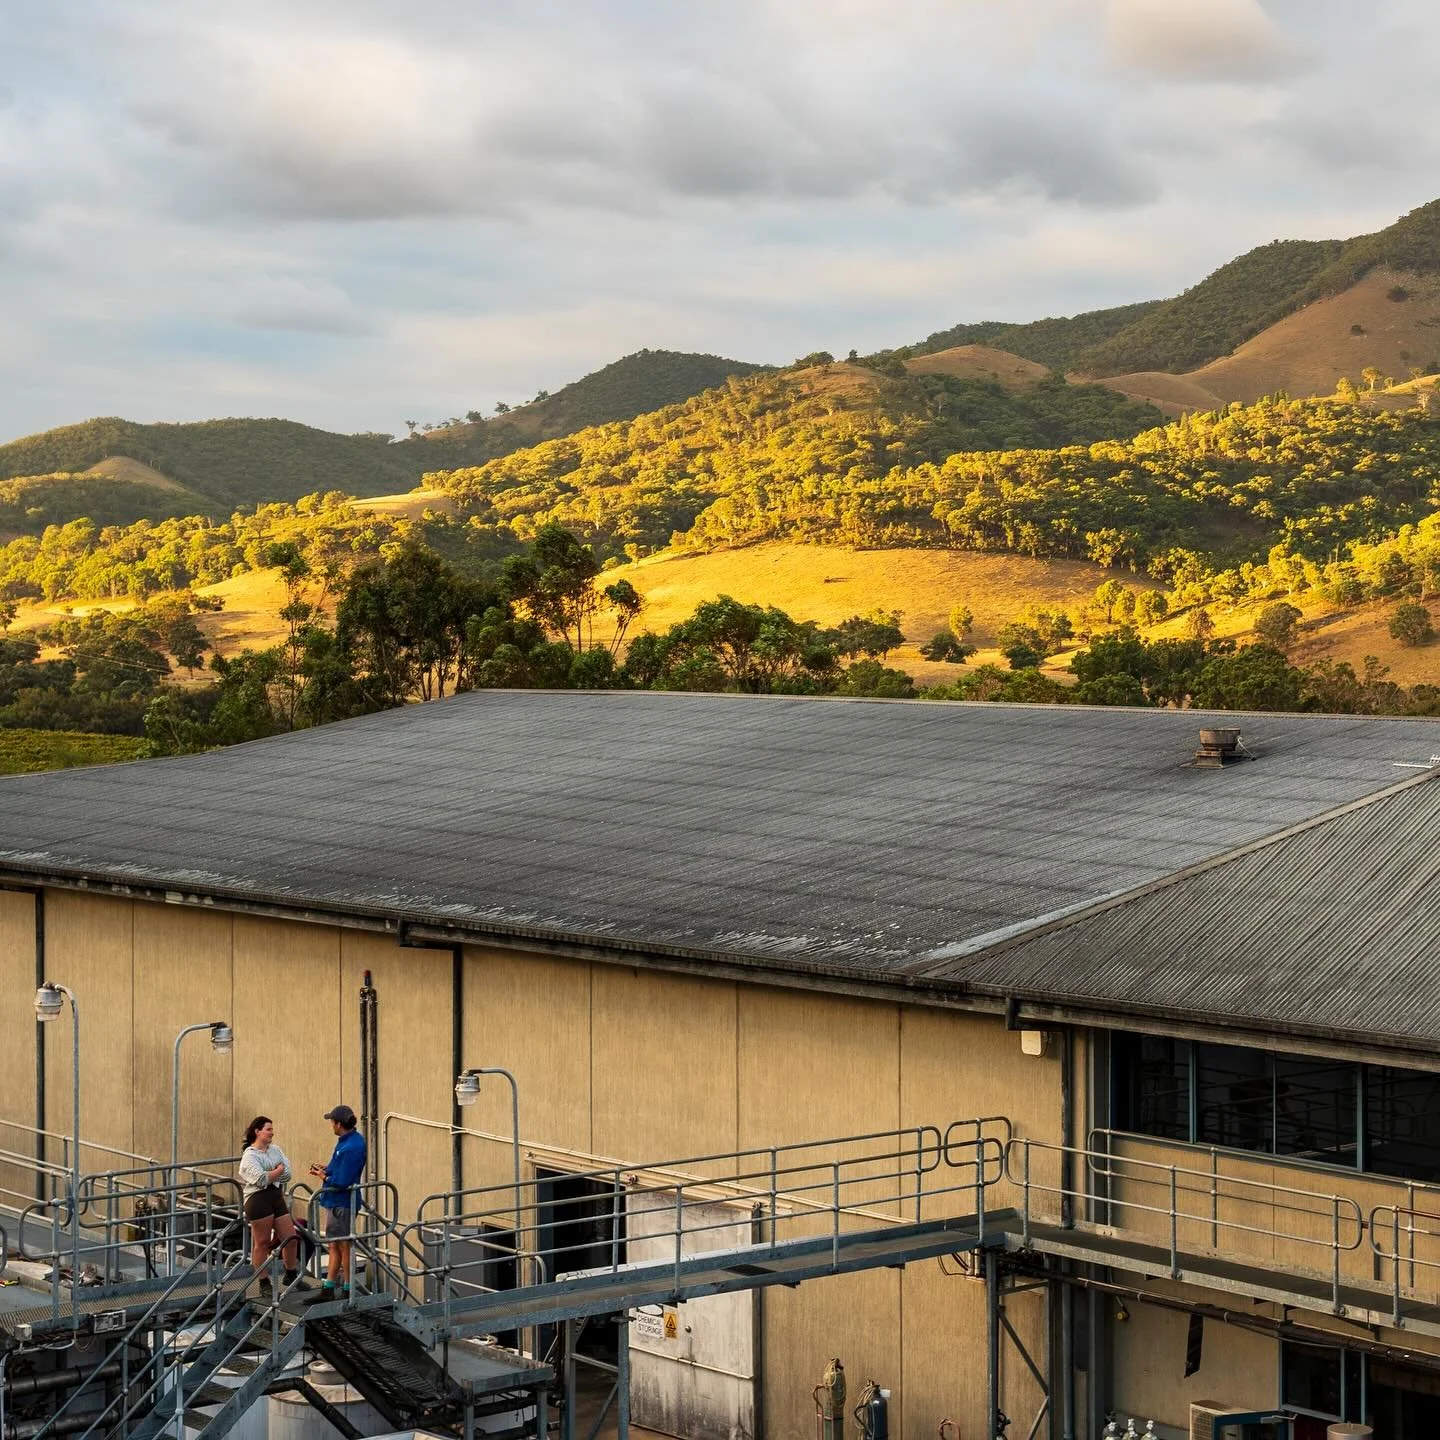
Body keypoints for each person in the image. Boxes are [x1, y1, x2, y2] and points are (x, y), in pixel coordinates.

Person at [310, 1103, 367, 1295]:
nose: (331, 1125)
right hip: (339, 1201)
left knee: (342, 1244)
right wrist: (326, 1169)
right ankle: (334, 1285)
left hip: (340, 1202)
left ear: (339, 1124)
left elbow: (342, 1181)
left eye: (332, 1122)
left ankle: (342, 1287)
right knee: (336, 1244)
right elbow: (340, 1169)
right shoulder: (349, 1141)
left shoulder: (351, 1146)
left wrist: (324, 1177)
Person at [238, 1116, 299, 1289]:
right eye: (268, 1129)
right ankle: (263, 1281)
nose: (272, 1133)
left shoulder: (275, 1150)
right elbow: (261, 1179)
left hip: (275, 1195)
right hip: (258, 1199)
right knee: (262, 1242)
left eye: (272, 1129)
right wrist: (277, 1170)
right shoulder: (249, 1156)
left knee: (290, 1238)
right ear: (257, 1131)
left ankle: (291, 1274)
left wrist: (275, 1173)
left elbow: (288, 1174)